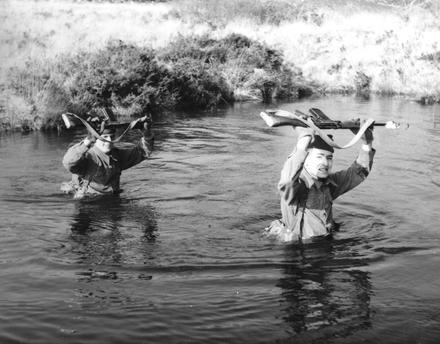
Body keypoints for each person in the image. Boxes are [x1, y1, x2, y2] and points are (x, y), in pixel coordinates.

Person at [266, 124, 375, 242]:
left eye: (329, 158)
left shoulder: (328, 183)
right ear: (305, 160)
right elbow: (287, 181)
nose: (325, 163)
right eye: (319, 157)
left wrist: (367, 143)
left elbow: (358, 172)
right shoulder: (298, 186)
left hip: (324, 243)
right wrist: (304, 138)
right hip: (300, 251)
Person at [61, 121, 154, 199]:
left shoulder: (117, 156)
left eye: (112, 137)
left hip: (113, 202)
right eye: (104, 137)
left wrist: (147, 134)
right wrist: (88, 140)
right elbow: (68, 162)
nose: (109, 140)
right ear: (95, 139)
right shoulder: (86, 157)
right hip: (88, 201)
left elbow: (143, 151)